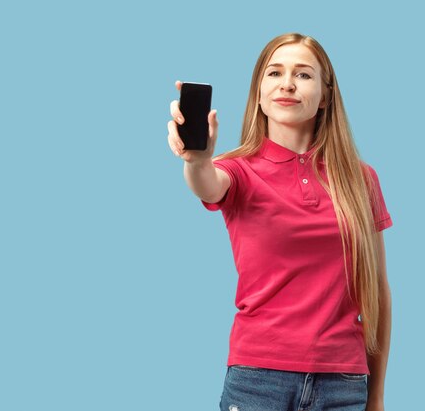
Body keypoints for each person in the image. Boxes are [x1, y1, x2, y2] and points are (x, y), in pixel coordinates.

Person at [167, 33, 393, 411]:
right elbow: (207, 185)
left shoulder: (360, 179)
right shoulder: (238, 171)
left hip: (344, 382)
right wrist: (198, 160)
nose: (287, 83)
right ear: (259, 93)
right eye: (274, 73)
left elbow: (378, 292)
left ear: (325, 96)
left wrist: (378, 394)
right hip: (257, 379)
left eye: (303, 75)